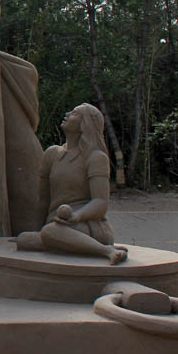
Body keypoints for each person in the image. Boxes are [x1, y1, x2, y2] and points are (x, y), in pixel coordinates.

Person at [14, 103, 128, 264]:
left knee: (49, 233)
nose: (67, 114)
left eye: (74, 113)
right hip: (57, 225)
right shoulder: (52, 154)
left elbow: (100, 202)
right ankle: (68, 243)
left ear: (85, 124)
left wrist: (76, 216)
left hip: (87, 225)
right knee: (24, 239)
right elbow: (44, 200)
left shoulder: (96, 157)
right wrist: (38, 230)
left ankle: (107, 250)